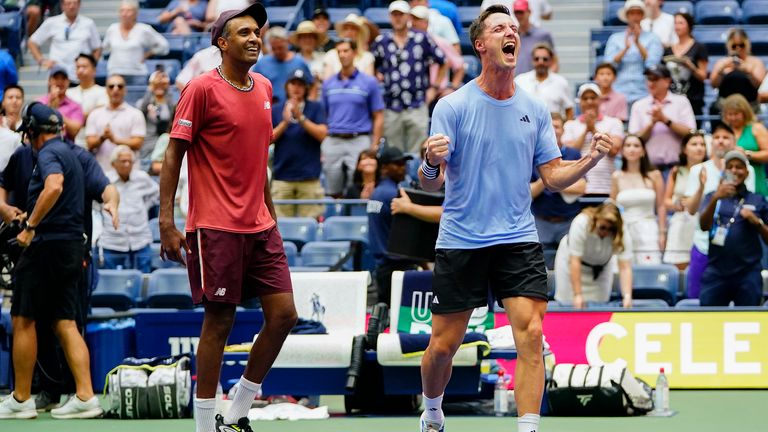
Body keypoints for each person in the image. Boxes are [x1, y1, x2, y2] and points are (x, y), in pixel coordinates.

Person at [417, 6, 614, 432]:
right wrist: (430, 163)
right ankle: (432, 411)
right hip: (462, 239)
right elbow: (431, 184)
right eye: (498, 28)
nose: (511, 33)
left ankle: (527, 427)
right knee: (442, 347)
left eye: (513, 27)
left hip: (518, 238)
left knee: (530, 335)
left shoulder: (535, 109)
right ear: (480, 44)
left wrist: (590, 160)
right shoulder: (452, 106)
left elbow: (553, 175)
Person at [159, 5, 297, 432]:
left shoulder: (266, 88)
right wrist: (166, 220)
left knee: (284, 316)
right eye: (243, 33)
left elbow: (260, 160)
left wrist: (271, 217)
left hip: (260, 225)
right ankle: (204, 426)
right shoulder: (200, 88)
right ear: (222, 42)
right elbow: (173, 153)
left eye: (257, 31)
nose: (254, 38)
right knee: (219, 321)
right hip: (215, 226)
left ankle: (237, 410)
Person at [0, 103, 102, 420]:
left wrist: (30, 227)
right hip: (71, 247)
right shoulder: (73, 152)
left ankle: (21, 398)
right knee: (65, 322)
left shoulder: (46, 154)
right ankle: (86, 397)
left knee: (23, 318)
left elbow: (53, 185)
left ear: (32, 131)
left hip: (46, 245)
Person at [684, 123, 756, 298]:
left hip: (735, 249)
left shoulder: (747, 170)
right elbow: (692, 210)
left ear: (733, 142)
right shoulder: (697, 170)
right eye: (717, 137)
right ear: (712, 142)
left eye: (726, 138)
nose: (721, 141)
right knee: (698, 299)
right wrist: (701, 187)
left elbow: (748, 204)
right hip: (703, 244)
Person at [372, 1, 447, 153]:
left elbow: (443, 61)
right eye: (394, 15)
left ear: (408, 17)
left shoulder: (422, 38)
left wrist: (434, 88)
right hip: (391, 105)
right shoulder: (382, 42)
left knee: (418, 152)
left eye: (401, 15)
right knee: (394, 154)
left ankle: (415, 177)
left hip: (418, 104)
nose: (398, 18)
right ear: (389, 17)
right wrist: (377, 77)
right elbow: (372, 65)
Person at [699, 151, 768, 306]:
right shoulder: (712, 196)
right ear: (724, 171)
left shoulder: (757, 199)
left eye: (739, 167)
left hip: (748, 272)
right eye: (730, 167)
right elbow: (703, 226)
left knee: (750, 321)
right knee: (708, 320)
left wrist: (757, 222)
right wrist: (716, 198)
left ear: (747, 172)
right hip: (716, 271)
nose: (735, 171)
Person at [368, 147, 436, 305]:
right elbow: (407, 234)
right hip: (397, 267)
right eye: (397, 164)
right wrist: (424, 265)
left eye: (403, 163)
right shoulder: (395, 195)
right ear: (384, 167)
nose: (402, 167)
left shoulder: (377, 192)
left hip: (383, 267)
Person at [321, 38, 385, 197]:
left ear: (355, 53)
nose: (342, 55)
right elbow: (324, 115)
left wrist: (374, 145)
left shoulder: (369, 82)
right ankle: (334, 219)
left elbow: (378, 115)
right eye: (339, 52)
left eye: (346, 51)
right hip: (333, 138)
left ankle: (356, 219)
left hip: (359, 139)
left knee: (357, 185)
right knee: (331, 187)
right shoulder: (328, 84)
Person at [271, 69, 328, 218]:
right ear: (287, 86)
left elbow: (322, 134)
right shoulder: (276, 109)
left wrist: (300, 117)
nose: (296, 88)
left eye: (301, 84)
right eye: (293, 83)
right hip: (282, 178)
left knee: (310, 225)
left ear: (306, 88)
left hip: (309, 178)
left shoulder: (315, 107)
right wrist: (285, 122)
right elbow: (268, 139)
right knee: (280, 228)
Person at [553, 202, 634, 308]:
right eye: (603, 227)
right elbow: (575, 260)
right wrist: (577, 294)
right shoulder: (581, 222)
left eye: (611, 229)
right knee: (570, 303)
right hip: (571, 266)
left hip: (601, 270)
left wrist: (627, 296)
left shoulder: (622, 231)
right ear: (596, 220)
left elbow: (625, 267)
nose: (606, 232)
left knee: (599, 307)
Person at [627, 63, 696, 177]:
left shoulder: (681, 102)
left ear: (667, 81)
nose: (651, 83)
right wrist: (652, 123)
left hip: (677, 167)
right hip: (648, 169)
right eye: (649, 79)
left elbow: (691, 134)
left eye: (655, 79)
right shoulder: (638, 105)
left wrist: (665, 120)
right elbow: (634, 140)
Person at [530, 113, 585, 249]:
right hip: (541, 221)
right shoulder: (532, 154)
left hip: (568, 220)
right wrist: (550, 175)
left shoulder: (573, 154)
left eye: (557, 126)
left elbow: (581, 187)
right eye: (550, 126)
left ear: (563, 130)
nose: (553, 130)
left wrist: (554, 180)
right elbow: (528, 193)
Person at [100, 146, 158, 273]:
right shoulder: (105, 180)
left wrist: (145, 206)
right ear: (113, 164)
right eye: (123, 161)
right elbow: (96, 202)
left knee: (144, 281)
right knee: (113, 284)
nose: (127, 164)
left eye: (129, 161)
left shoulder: (142, 178)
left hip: (140, 239)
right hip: (113, 240)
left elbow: (156, 193)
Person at [610, 134, 666, 264]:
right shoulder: (616, 176)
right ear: (623, 151)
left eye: (636, 145)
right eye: (628, 145)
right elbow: (612, 207)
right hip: (624, 229)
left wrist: (662, 233)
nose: (632, 149)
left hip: (649, 229)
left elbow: (661, 206)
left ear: (643, 151)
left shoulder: (654, 175)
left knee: (650, 265)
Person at [562, 83, 624, 196]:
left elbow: (614, 151)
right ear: (579, 102)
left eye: (593, 98)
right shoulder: (569, 125)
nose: (589, 102)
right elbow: (570, 153)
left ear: (600, 100)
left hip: (606, 186)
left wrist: (593, 129)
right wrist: (587, 129)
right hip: (577, 188)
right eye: (585, 98)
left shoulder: (614, 122)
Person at [603, 0, 663, 104]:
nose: (635, 17)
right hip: (619, 90)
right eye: (631, 13)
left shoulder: (653, 38)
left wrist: (638, 44)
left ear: (643, 15)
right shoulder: (615, 38)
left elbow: (652, 65)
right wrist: (625, 49)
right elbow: (609, 65)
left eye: (638, 13)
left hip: (644, 91)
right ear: (627, 16)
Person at [663, 130, 706, 269]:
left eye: (702, 144)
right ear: (684, 149)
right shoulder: (676, 171)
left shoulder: (711, 169)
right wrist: (676, 204)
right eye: (694, 144)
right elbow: (666, 201)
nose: (699, 147)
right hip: (681, 223)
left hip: (703, 222)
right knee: (679, 268)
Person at [85, 74, 147, 172]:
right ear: (106, 90)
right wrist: (103, 137)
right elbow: (89, 143)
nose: (115, 89)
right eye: (111, 86)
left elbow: (138, 143)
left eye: (120, 86)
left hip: (129, 173)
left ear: (125, 90)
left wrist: (115, 140)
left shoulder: (136, 114)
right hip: (102, 171)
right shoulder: (95, 114)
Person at [28, 0, 102, 81]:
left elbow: (97, 48)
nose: (71, 6)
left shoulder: (88, 23)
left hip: (81, 75)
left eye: (75, 3)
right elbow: (32, 42)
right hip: (58, 74)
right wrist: (42, 61)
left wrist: (91, 65)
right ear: (62, 5)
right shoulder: (52, 22)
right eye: (68, 3)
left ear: (79, 4)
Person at [102, 0, 170, 82]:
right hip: (114, 74)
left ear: (136, 13)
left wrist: (149, 53)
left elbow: (164, 45)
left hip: (137, 74)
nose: (125, 14)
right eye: (122, 10)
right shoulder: (112, 29)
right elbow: (104, 49)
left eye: (128, 11)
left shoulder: (144, 29)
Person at [409, 6, 465, 98]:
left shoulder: (440, 42)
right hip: (413, 92)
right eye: (412, 19)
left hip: (438, 93)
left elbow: (460, 67)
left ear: (426, 23)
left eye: (418, 19)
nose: (414, 23)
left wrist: (453, 88)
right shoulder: (406, 44)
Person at [710, 28, 766, 116]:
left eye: (741, 45)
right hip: (725, 107)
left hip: (750, 106)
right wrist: (721, 71)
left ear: (747, 45)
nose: (738, 48)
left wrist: (747, 70)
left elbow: (758, 84)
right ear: (729, 46)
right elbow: (713, 84)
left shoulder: (756, 62)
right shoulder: (722, 62)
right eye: (734, 46)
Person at [721, 94, 768, 197]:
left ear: (745, 113)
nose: (733, 118)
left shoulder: (756, 128)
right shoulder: (723, 131)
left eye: (736, 114)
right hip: (730, 178)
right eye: (730, 114)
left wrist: (746, 154)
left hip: (755, 176)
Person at [663, 12, 708, 119]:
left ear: (689, 25)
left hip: (693, 98)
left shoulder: (699, 47)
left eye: (681, 23)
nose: (677, 26)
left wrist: (690, 66)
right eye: (675, 23)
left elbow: (703, 76)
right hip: (672, 98)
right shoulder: (668, 49)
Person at [252, 26, 312, 104]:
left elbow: (311, 85)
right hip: (271, 108)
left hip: (297, 108)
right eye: (274, 48)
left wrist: (310, 103)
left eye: (280, 48)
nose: (277, 51)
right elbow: (254, 88)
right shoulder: (262, 64)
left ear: (287, 42)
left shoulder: (299, 62)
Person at [515, 42, 573, 119]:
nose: (541, 62)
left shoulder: (561, 82)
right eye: (537, 59)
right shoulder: (520, 81)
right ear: (532, 60)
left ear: (551, 61)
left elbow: (569, 109)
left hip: (553, 128)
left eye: (545, 59)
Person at [67, 54, 109, 148]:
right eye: (78, 67)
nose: (81, 70)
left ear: (94, 70)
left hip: (96, 143)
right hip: (71, 143)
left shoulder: (103, 92)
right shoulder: (68, 93)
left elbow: (98, 116)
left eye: (84, 67)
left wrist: (73, 120)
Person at [136, 68, 176, 161]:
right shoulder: (142, 103)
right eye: (156, 84)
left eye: (163, 85)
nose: (159, 86)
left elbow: (173, 112)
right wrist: (151, 87)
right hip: (148, 144)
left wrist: (167, 85)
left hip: (165, 144)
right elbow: (142, 110)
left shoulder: (171, 103)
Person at [37, 66, 84, 141]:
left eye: (63, 78)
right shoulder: (39, 102)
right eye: (56, 78)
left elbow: (74, 131)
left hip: (66, 145)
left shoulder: (75, 106)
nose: (60, 82)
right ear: (49, 81)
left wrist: (56, 112)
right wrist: (50, 105)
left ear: (68, 82)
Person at [322, 14, 375, 80]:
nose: (349, 32)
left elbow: (369, 84)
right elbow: (327, 83)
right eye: (346, 29)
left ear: (359, 33)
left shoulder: (367, 57)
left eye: (353, 29)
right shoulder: (330, 55)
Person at [511, 0, 555, 75]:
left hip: (536, 82)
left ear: (529, 12)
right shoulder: (512, 36)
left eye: (521, 12)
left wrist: (547, 81)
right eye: (516, 12)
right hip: (515, 82)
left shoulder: (542, 35)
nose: (519, 16)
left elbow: (554, 61)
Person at [290, 21, 326, 100]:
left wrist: (321, 78)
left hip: (319, 101)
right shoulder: (292, 60)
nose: (307, 40)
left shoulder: (325, 58)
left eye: (310, 37)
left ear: (315, 40)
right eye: (304, 37)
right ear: (298, 41)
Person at [0, 86, 23, 171]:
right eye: (10, 97)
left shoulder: (27, 125)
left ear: (23, 101)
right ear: (3, 102)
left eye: (18, 97)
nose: (14, 101)